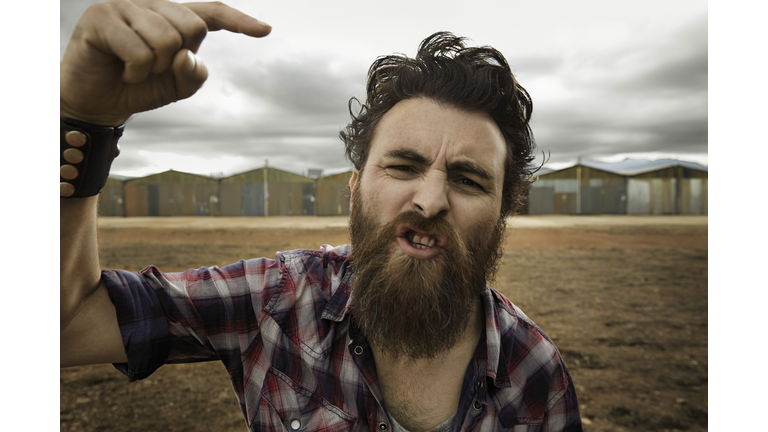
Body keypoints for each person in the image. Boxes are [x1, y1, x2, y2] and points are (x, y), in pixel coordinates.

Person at [60, 1, 583, 431]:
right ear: (354, 190)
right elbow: (67, 324)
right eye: (403, 166)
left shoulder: (535, 372)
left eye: (468, 180)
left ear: (502, 216)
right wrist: (85, 120)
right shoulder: (276, 300)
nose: (430, 200)